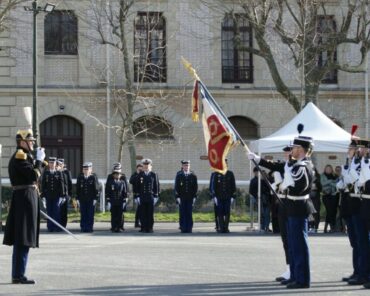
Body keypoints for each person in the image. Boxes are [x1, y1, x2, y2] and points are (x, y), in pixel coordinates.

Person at [249, 134, 315, 289]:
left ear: (301, 149)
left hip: (298, 207)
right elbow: (277, 166)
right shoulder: (295, 165)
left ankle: (302, 279)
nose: (292, 150)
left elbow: (299, 188)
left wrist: (284, 184)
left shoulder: (303, 166)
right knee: (292, 244)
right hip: (292, 207)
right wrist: (257, 159)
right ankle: (295, 275)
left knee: (299, 245)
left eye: (295, 147)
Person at [3, 129, 46, 284]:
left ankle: (18, 274)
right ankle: (18, 275)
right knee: (23, 239)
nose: (33, 143)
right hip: (24, 199)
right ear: (22, 142)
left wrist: (38, 161)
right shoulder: (20, 157)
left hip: (26, 198)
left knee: (24, 239)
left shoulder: (25, 157)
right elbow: (34, 176)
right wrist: (39, 161)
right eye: (30, 141)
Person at [249, 145, 293, 282]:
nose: (286, 155)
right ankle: (289, 269)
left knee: (294, 240)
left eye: (289, 153)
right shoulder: (284, 166)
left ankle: (297, 269)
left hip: (294, 207)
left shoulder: (298, 167)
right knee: (285, 240)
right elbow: (272, 165)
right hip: (283, 206)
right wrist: (257, 159)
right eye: (285, 153)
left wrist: (282, 185)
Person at [209, 160, 236, 233]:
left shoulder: (230, 174)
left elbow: (233, 186)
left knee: (227, 212)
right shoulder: (216, 174)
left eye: (225, 164)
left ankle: (226, 227)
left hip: (228, 197)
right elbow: (214, 186)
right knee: (220, 212)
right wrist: (214, 196)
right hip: (219, 197)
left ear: (227, 165)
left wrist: (233, 196)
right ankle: (221, 227)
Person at [133, 159, 160, 233]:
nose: (146, 167)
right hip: (142, 196)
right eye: (144, 166)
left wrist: (156, 196)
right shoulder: (140, 175)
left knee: (150, 213)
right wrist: (136, 196)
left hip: (150, 196)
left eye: (147, 166)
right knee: (142, 213)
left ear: (150, 166)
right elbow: (136, 186)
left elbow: (156, 186)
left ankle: (150, 227)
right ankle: (143, 227)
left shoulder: (153, 174)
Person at [40, 157, 66, 232]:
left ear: (55, 164)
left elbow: (62, 185)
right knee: (49, 211)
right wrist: (43, 196)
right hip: (48, 196)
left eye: (53, 163)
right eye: (50, 163)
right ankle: (50, 227)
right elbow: (43, 185)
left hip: (56, 196)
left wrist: (62, 195)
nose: (52, 164)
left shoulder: (59, 173)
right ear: (49, 164)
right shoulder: (46, 173)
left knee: (56, 211)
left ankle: (56, 227)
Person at [174, 160, 198, 233]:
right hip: (182, 198)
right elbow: (176, 187)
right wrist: (177, 197)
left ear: (189, 166)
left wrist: (194, 197)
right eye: (185, 165)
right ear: (182, 166)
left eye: (187, 165)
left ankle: (189, 228)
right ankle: (183, 228)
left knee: (189, 213)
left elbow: (195, 187)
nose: (186, 167)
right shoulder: (179, 175)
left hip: (190, 198)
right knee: (183, 213)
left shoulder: (193, 176)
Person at [76, 162, 100, 232]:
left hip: (91, 199)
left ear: (90, 170)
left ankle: (89, 227)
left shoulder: (93, 177)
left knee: (90, 214)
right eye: (84, 169)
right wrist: (77, 198)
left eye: (87, 169)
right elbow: (78, 189)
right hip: (82, 199)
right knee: (83, 213)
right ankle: (83, 227)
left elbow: (96, 188)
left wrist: (95, 198)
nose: (86, 171)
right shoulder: (80, 177)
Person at [105, 164, 128, 232]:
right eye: (115, 174)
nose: (117, 175)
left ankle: (119, 227)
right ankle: (114, 227)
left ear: (120, 175)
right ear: (113, 175)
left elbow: (124, 191)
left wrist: (125, 200)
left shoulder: (122, 182)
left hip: (120, 201)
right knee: (113, 215)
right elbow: (108, 191)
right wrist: (108, 201)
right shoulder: (110, 182)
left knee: (120, 215)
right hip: (113, 201)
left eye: (118, 174)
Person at [321, 164, 338, 233]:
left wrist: (330, 182)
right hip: (326, 195)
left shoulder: (334, 176)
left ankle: (330, 227)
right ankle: (329, 227)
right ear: (325, 169)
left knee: (333, 211)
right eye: (327, 169)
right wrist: (331, 181)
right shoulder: (322, 175)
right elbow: (323, 183)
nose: (328, 170)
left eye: (329, 169)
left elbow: (337, 184)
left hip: (334, 195)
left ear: (331, 169)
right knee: (329, 210)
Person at [57, 159, 72, 228]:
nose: (59, 166)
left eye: (60, 164)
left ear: (63, 165)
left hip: (65, 194)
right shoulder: (56, 172)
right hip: (57, 194)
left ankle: (63, 225)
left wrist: (69, 195)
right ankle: (58, 224)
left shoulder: (66, 172)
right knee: (58, 211)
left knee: (63, 210)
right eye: (58, 164)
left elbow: (69, 184)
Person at [130, 163, 143, 228]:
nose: (140, 169)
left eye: (141, 168)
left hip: (143, 194)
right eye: (139, 168)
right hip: (137, 194)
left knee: (142, 209)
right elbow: (131, 181)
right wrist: (137, 174)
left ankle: (140, 222)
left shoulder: (143, 174)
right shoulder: (135, 174)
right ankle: (137, 222)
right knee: (139, 209)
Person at [309, 167, 322, 233]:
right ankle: (310, 226)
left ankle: (315, 226)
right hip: (308, 196)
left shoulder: (318, 177)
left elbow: (321, 188)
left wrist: (316, 185)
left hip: (316, 195)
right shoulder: (307, 176)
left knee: (316, 212)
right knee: (309, 212)